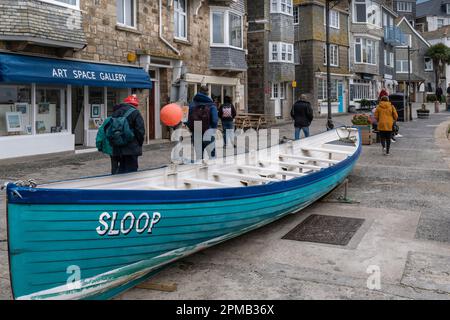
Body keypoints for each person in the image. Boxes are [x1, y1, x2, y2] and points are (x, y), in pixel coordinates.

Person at [107, 95, 145, 174]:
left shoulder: (116, 112)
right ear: (135, 104)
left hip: (117, 148)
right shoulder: (135, 113)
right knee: (131, 172)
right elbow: (140, 131)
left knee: (121, 171)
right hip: (131, 148)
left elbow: (107, 128)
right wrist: (139, 143)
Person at [187, 85, 219, 159]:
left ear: (199, 92)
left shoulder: (191, 104)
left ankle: (200, 170)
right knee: (212, 157)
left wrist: (192, 128)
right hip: (208, 132)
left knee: (199, 157)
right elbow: (214, 120)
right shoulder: (211, 105)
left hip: (196, 132)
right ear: (207, 93)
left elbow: (186, 120)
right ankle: (212, 170)